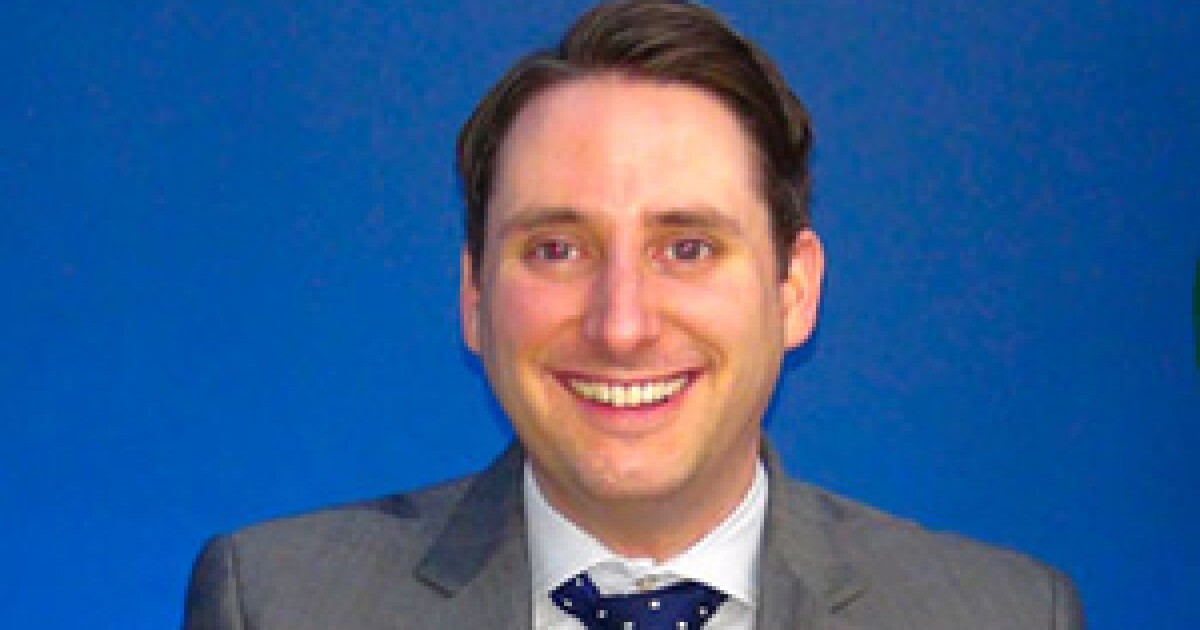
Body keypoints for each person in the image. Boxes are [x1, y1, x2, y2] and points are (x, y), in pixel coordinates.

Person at [182, 1, 1083, 628]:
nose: (621, 325)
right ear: (474, 296)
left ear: (794, 290)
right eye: (557, 249)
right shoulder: (277, 605)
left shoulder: (1006, 617)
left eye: (686, 248)